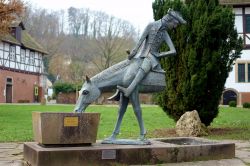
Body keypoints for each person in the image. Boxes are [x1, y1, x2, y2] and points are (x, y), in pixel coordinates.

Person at [117, 8, 187, 97]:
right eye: (175, 24)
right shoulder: (151, 25)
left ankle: (129, 90)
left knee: (147, 63)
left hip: (152, 58)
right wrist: (133, 53)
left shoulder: (165, 33)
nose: (175, 27)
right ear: (169, 20)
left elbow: (173, 51)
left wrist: (159, 54)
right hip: (141, 54)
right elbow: (140, 40)